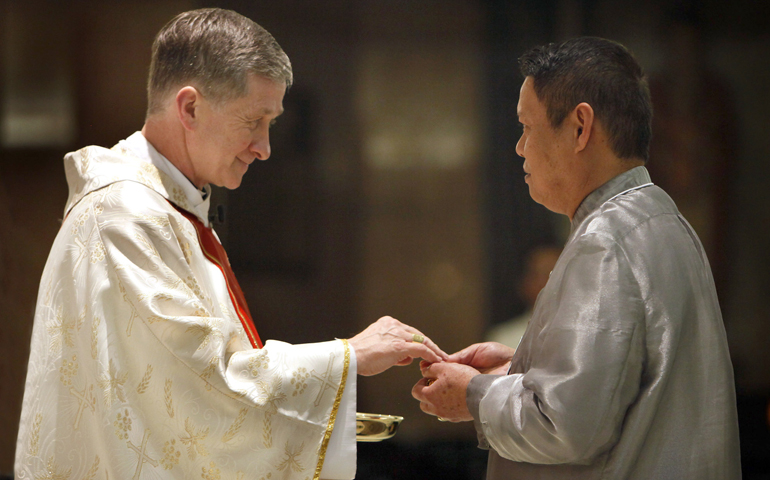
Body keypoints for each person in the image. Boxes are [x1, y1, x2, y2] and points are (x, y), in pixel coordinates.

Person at [15, 8, 446, 480]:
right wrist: (348, 357)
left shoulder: (171, 209)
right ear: (190, 108)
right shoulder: (124, 217)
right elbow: (204, 387)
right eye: (253, 121)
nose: (263, 147)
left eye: (271, 124)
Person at [412, 37, 741, 479]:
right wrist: (522, 365)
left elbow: (565, 427)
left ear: (580, 127)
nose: (520, 147)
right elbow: (620, 382)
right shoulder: (664, 220)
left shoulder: (605, 241)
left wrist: (474, 395)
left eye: (527, 127)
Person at [485, 245, 561, 349]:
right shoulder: (503, 339)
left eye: (553, 275)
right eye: (538, 275)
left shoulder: (583, 335)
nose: (544, 283)